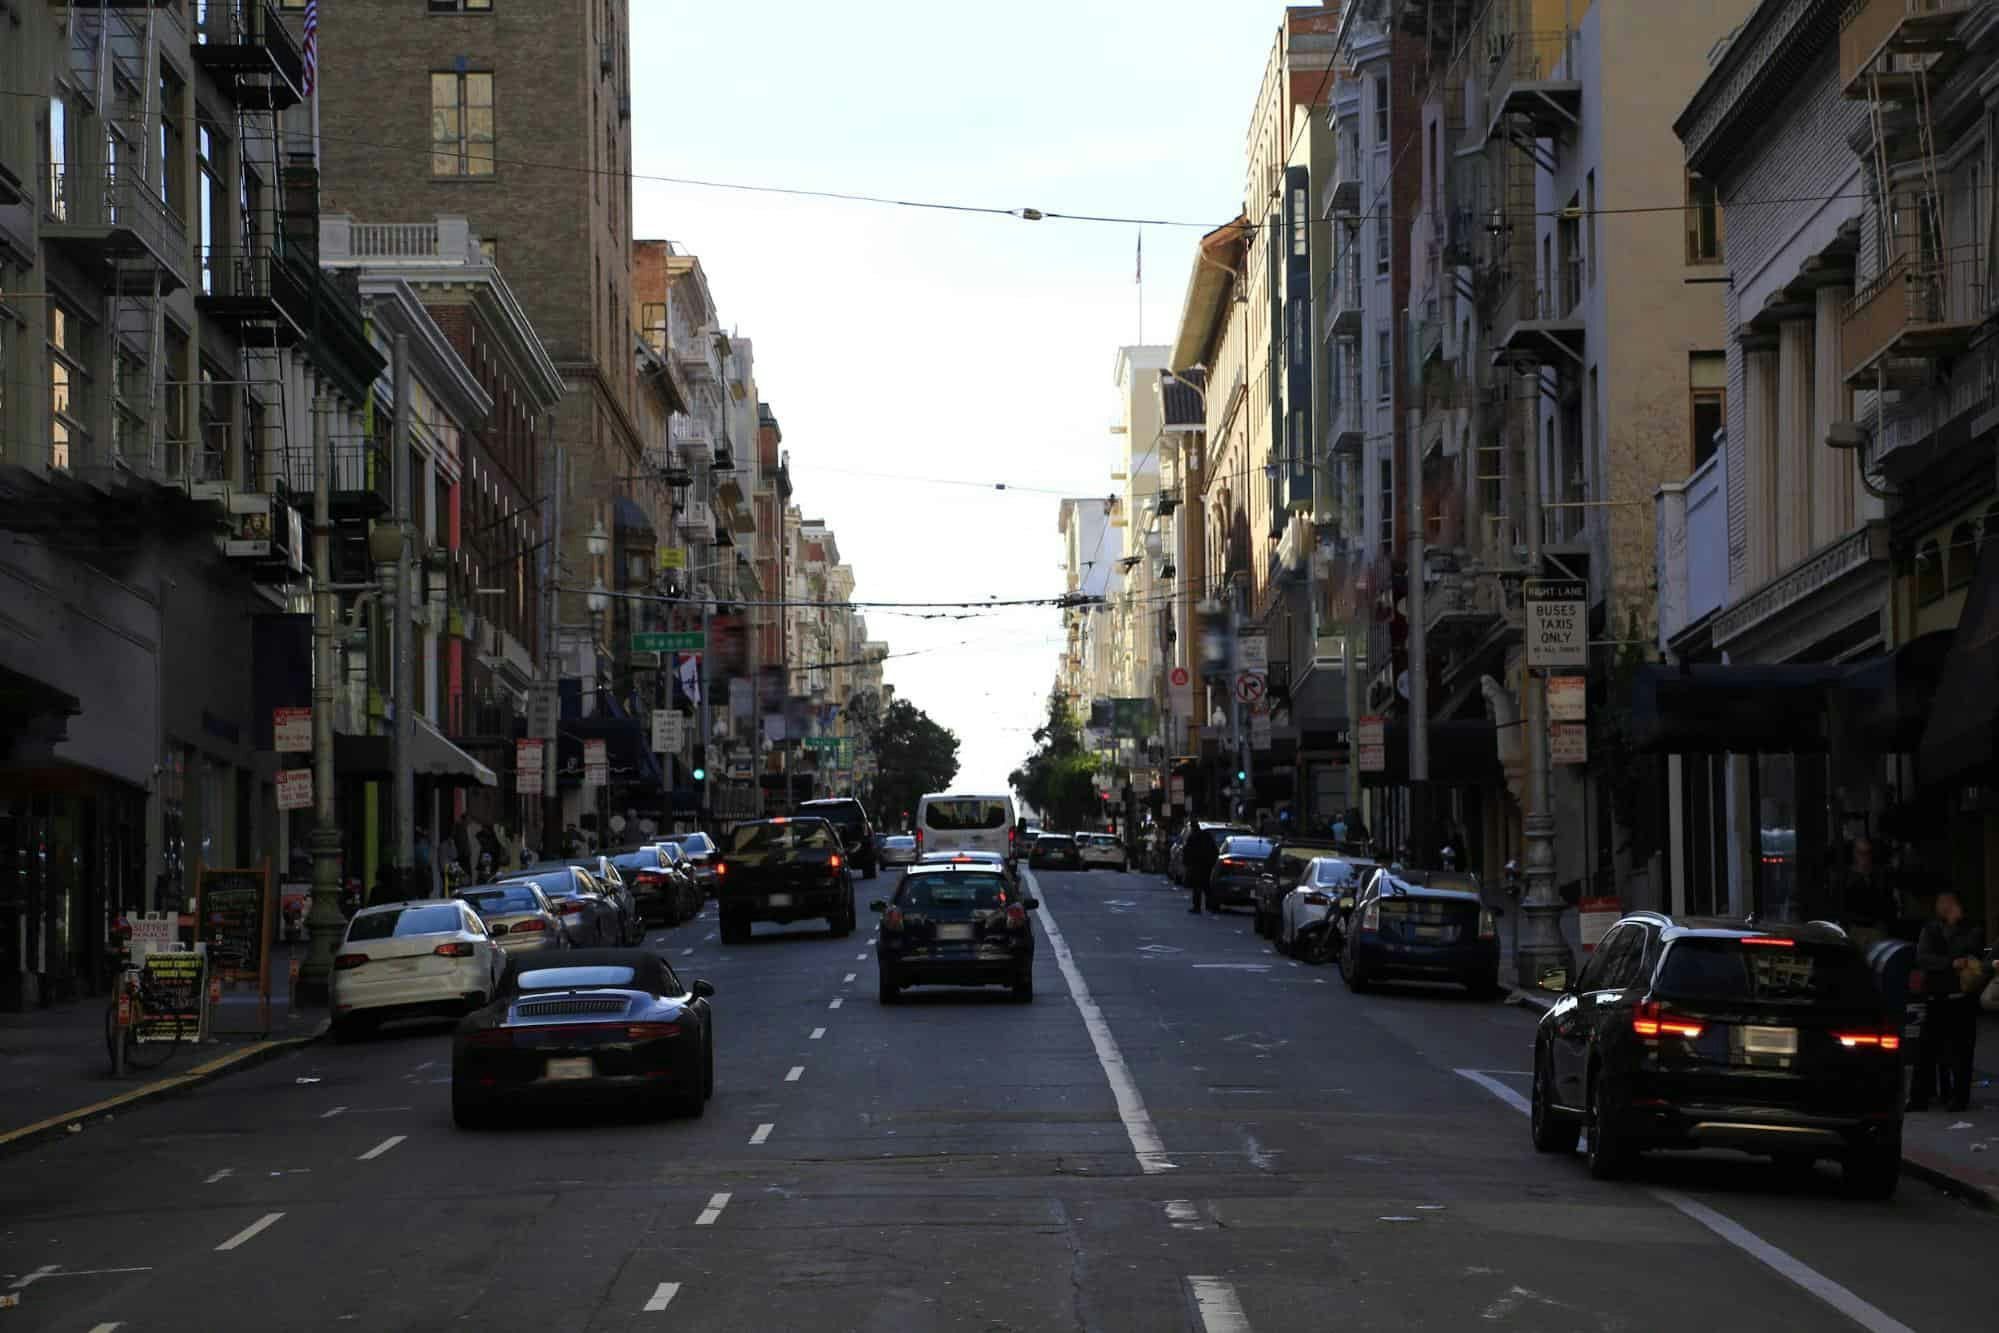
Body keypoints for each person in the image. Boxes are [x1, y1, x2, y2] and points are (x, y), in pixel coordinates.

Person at [1910, 890, 1985, 1113]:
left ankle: (1957, 1097)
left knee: (1960, 1052)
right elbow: (1923, 958)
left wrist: (1954, 930)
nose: (1943, 907)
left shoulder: (1971, 929)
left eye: (1947, 903)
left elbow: (1969, 955)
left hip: (1961, 998)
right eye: (1940, 902)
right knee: (1926, 1050)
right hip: (1936, 996)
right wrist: (1950, 963)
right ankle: (1920, 1097)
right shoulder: (1930, 929)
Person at [1184, 824, 1220, 914]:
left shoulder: (1193, 838)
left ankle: (1197, 907)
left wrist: (1187, 864)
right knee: (1206, 886)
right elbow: (1215, 851)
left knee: (1197, 887)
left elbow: (1187, 851)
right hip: (1206, 866)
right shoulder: (1207, 837)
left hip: (1197, 866)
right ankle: (1210, 905)